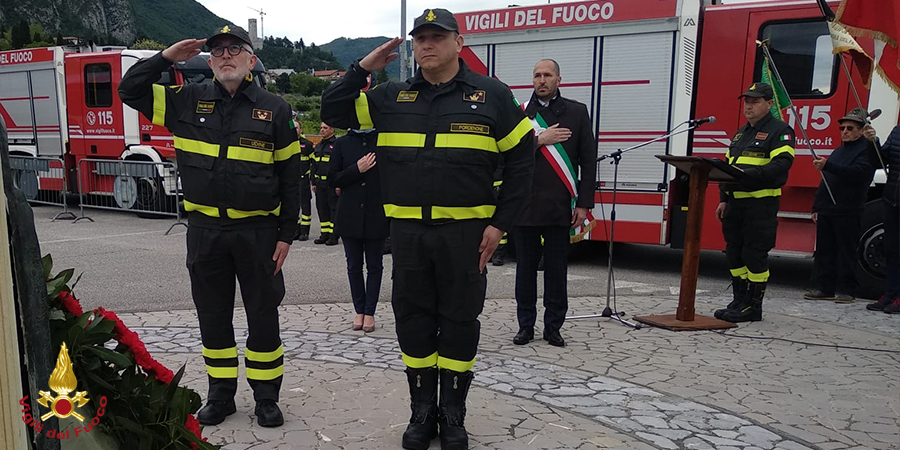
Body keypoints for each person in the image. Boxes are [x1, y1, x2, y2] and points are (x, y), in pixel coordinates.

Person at [321, 8, 534, 450]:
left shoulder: (492, 96)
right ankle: (422, 411)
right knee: (413, 322)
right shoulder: (390, 97)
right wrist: (361, 69)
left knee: (460, 322)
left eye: (437, 36)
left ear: (459, 43)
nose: (427, 44)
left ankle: (453, 414)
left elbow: (522, 161)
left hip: (466, 237)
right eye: (420, 38)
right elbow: (333, 110)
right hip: (409, 236)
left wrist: (500, 224)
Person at [118, 25, 300, 428]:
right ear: (210, 60)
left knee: (263, 316)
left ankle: (266, 397)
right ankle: (221, 395)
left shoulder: (275, 109)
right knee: (213, 316)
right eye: (218, 51)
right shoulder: (185, 100)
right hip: (205, 232)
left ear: (251, 59)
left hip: (258, 233)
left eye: (235, 49)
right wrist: (166, 57)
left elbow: (291, 176)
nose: (226, 56)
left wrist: (287, 234)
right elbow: (129, 90)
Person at [512, 59, 596, 347]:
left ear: (559, 79)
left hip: (561, 205)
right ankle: (525, 325)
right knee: (525, 270)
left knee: (556, 270)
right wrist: (539, 139)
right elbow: (507, 153)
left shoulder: (577, 112)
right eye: (537, 75)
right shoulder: (520, 113)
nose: (542, 80)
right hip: (525, 205)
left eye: (547, 75)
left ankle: (553, 326)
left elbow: (588, 161)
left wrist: (584, 204)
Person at [713, 82, 794, 323]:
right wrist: (723, 199)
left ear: (769, 104)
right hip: (735, 206)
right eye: (747, 101)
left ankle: (753, 306)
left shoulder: (780, 130)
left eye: (755, 101)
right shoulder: (741, 133)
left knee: (753, 255)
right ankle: (740, 300)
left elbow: (781, 165)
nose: (749, 106)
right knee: (734, 253)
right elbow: (727, 167)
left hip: (761, 206)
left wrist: (746, 176)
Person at [804, 108, 877, 303]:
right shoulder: (839, 151)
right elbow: (826, 180)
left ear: (861, 130)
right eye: (842, 128)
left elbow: (858, 174)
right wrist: (816, 207)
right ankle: (824, 287)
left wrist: (828, 165)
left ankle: (847, 290)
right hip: (827, 209)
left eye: (850, 128)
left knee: (846, 252)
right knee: (824, 251)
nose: (844, 131)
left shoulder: (866, 151)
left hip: (848, 209)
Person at [328, 128, 388, 332]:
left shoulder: (381, 141)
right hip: (349, 215)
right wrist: (356, 169)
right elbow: (332, 179)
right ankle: (359, 310)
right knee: (353, 266)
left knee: (374, 266)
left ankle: (370, 311)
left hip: (375, 214)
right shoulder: (342, 144)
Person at [866, 124, 900, 314]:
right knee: (892, 249)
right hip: (892, 199)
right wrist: (873, 143)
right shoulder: (897, 131)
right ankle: (890, 293)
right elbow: (880, 161)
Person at [312, 122, 339, 245]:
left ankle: (334, 235)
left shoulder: (336, 145)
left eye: (325, 128)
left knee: (333, 209)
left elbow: (339, 165)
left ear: (332, 129)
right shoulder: (319, 146)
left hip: (331, 183)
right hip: (320, 183)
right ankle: (324, 234)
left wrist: (339, 184)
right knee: (322, 209)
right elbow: (314, 165)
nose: (322, 130)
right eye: (321, 128)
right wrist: (313, 181)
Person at [295, 119, 315, 241]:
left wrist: (312, 179)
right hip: (291, 181)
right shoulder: (287, 143)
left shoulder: (307, 145)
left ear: (301, 130)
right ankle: (295, 230)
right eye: (293, 128)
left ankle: (304, 232)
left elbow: (314, 164)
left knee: (305, 206)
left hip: (303, 180)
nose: (294, 130)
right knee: (293, 206)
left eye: (297, 128)